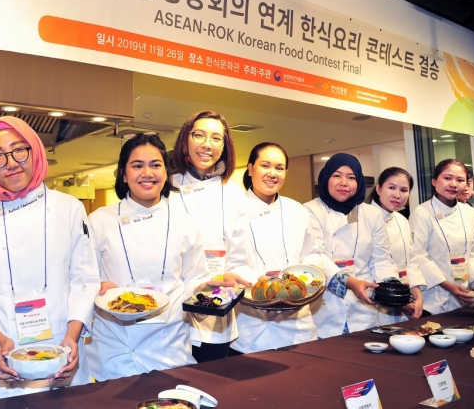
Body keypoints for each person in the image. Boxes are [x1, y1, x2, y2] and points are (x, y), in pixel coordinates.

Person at [0, 116, 99, 401]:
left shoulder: (68, 208)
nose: (11, 162)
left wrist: (71, 338)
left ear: (35, 150)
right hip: (2, 357)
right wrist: (1, 343)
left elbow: (84, 281)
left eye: (19, 149)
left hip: (62, 350)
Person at [85, 133, 212, 381]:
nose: (147, 173)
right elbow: (83, 278)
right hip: (115, 347)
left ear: (166, 173)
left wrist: (213, 293)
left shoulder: (185, 222)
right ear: (123, 174)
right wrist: (96, 286)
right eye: (137, 165)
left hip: (169, 347)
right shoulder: (100, 220)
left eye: (155, 165)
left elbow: (196, 280)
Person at [227, 142, 336, 354]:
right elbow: (231, 263)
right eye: (265, 165)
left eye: (279, 168)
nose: (272, 173)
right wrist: (267, 285)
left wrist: (308, 273)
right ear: (250, 169)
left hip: (298, 323)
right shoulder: (233, 210)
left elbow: (311, 252)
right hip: (252, 324)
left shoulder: (298, 210)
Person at [170, 111, 251, 362]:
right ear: (185, 139)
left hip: (218, 306)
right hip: (174, 309)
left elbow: (240, 255)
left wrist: (231, 278)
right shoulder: (167, 188)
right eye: (199, 135)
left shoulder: (235, 194)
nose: (207, 144)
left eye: (217, 138)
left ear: (225, 146)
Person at [304, 154, 399, 338]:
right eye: (337, 175)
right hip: (325, 307)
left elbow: (381, 258)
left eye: (351, 177)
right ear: (325, 178)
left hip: (365, 309)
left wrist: (392, 288)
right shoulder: (309, 210)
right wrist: (350, 282)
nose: (344, 182)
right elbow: (316, 256)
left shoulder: (372, 214)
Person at [409, 159, 474, 314]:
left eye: (460, 180)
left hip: (463, 295)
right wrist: (449, 286)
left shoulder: (470, 213)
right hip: (433, 298)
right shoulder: (421, 213)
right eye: (447, 178)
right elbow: (419, 256)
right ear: (434, 181)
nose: (453, 184)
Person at [365, 167, 425, 323]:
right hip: (375, 303)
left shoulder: (401, 220)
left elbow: (410, 260)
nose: (397, 195)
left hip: (402, 299)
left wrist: (416, 293)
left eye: (404, 190)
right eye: (391, 187)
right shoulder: (363, 219)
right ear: (378, 188)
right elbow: (368, 266)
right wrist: (399, 301)